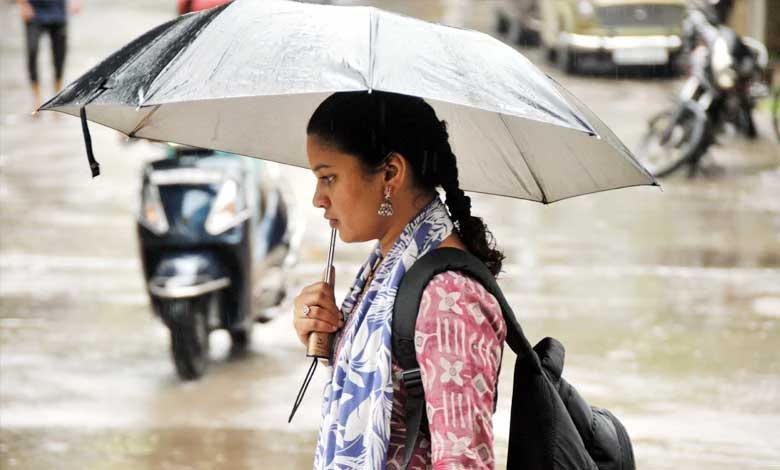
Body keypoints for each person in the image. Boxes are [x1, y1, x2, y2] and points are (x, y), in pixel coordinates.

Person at [292, 91, 507, 469]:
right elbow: (395, 399)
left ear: (390, 173)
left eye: (328, 177)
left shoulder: (449, 297)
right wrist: (329, 339)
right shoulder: (385, 271)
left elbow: (464, 461)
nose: (318, 199)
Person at [17, 0, 81, 114]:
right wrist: (22, 4)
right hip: (33, 10)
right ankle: (36, 101)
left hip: (58, 11)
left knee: (59, 57)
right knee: (32, 51)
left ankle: (56, 101)